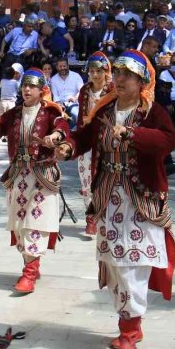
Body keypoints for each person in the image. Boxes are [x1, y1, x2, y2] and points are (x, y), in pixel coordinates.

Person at [66, 49, 175, 349]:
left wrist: (133, 134)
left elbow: (168, 141)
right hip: (108, 199)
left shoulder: (152, 112)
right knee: (116, 266)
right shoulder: (106, 109)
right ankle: (129, 324)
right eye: (118, 74)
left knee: (133, 263)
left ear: (142, 81)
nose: (121, 80)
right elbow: (84, 137)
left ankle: (130, 331)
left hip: (140, 201)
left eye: (128, 76)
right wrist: (65, 146)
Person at [0, 69, 72, 295]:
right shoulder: (13, 114)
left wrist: (55, 137)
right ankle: (31, 263)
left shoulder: (50, 112)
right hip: (18, 175)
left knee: (37, 221)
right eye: (25, 85)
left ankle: (29, 272)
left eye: (32, 86)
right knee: (19, 223)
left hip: (43, 174)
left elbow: (62, 127)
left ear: (42, 90)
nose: (27, 89)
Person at [75, 52, 113, 237]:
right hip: (87, 139)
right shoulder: (85, 90)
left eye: (99, 71)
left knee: (106, 179)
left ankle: (106, 216)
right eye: (92, 71)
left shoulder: (113, 89)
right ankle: (90, 217)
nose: (96, 75)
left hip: (106, 140)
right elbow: (79, 119)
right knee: (86, 179)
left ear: (106, 72)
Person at [49, 58, 84, 124]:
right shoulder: (53, 79)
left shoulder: (76, 76)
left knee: (75, 114)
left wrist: (75, 97)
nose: (62, 68)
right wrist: (59, 104)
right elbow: (55, 95)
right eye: (60, 66)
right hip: (60, 106)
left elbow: (82, 90)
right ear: (57, 67)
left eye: (64, 66)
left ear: (68, 66)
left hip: (74, 104)